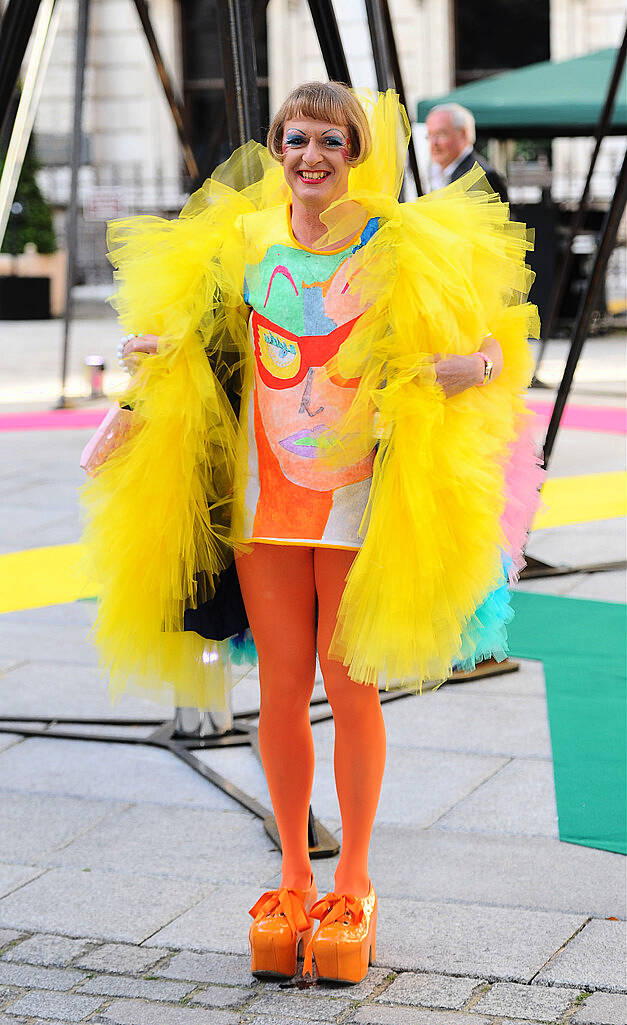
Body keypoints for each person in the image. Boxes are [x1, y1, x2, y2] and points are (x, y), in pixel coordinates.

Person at [81, 82, 542, 986]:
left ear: (356, 149)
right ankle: (293, 874)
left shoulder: (400, 244)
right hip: (264, 507)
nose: (311, 156)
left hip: (364, 506)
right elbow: (192, 339)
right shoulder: (241, 240)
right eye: (296, 139)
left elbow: (497, 345)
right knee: (282, 690)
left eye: (331, 140)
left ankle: (357, 881)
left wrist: (467, 364)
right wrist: (145, 371)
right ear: (277, 145)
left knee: (350, 686)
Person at [426, 102, 509, 203]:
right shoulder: (438, 173)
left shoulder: (481, 177)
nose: (434, 143)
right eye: (430, 135)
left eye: (441, 134)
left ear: (462, 134)